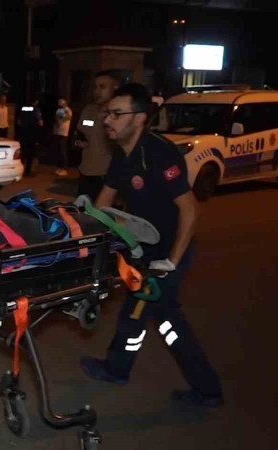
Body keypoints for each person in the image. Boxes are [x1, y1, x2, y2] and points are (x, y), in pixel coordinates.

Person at [79, 83, 224, 408]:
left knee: (167, 320)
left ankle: (207, 389)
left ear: (140, 118)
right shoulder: (122, 156)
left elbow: (190, 210)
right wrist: (85, 229)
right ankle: (117, 368)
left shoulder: (160, 153)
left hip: (171, 251)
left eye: (117, 114)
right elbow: (103, 204)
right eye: (108, 113)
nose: (107, 120)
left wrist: (171, 261)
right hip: (143, 250)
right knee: (134, 311)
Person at [73, 70, 121, 201]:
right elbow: (79, 133)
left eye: (102, 87)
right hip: (86, 172)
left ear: (115, 87)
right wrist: (78, 142)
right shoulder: (88, 110)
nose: (97, 91)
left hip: (107, 176)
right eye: (95, 87)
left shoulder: (119, 113)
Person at [16, 99, 44, 176]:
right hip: (32, 134)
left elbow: (19, 121)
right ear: (36, 101)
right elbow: (40, 122)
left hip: (23, 133)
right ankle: (28, 171)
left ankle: (20, 169)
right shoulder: (36, 110)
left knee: (23, 153)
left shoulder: (23, 108)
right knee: (30, 153)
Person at [52, 97, 72, 177]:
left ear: (65, 102)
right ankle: (60, 168)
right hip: (58, 132)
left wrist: (61, 118)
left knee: (63, 151)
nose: (59, 103)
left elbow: (68, 117)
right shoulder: (59, 110)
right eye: (59, 101)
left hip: (63, 133)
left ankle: (65, 169)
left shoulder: (68, 110)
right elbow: (56, 119)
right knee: (59, 151)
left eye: (61, 101)